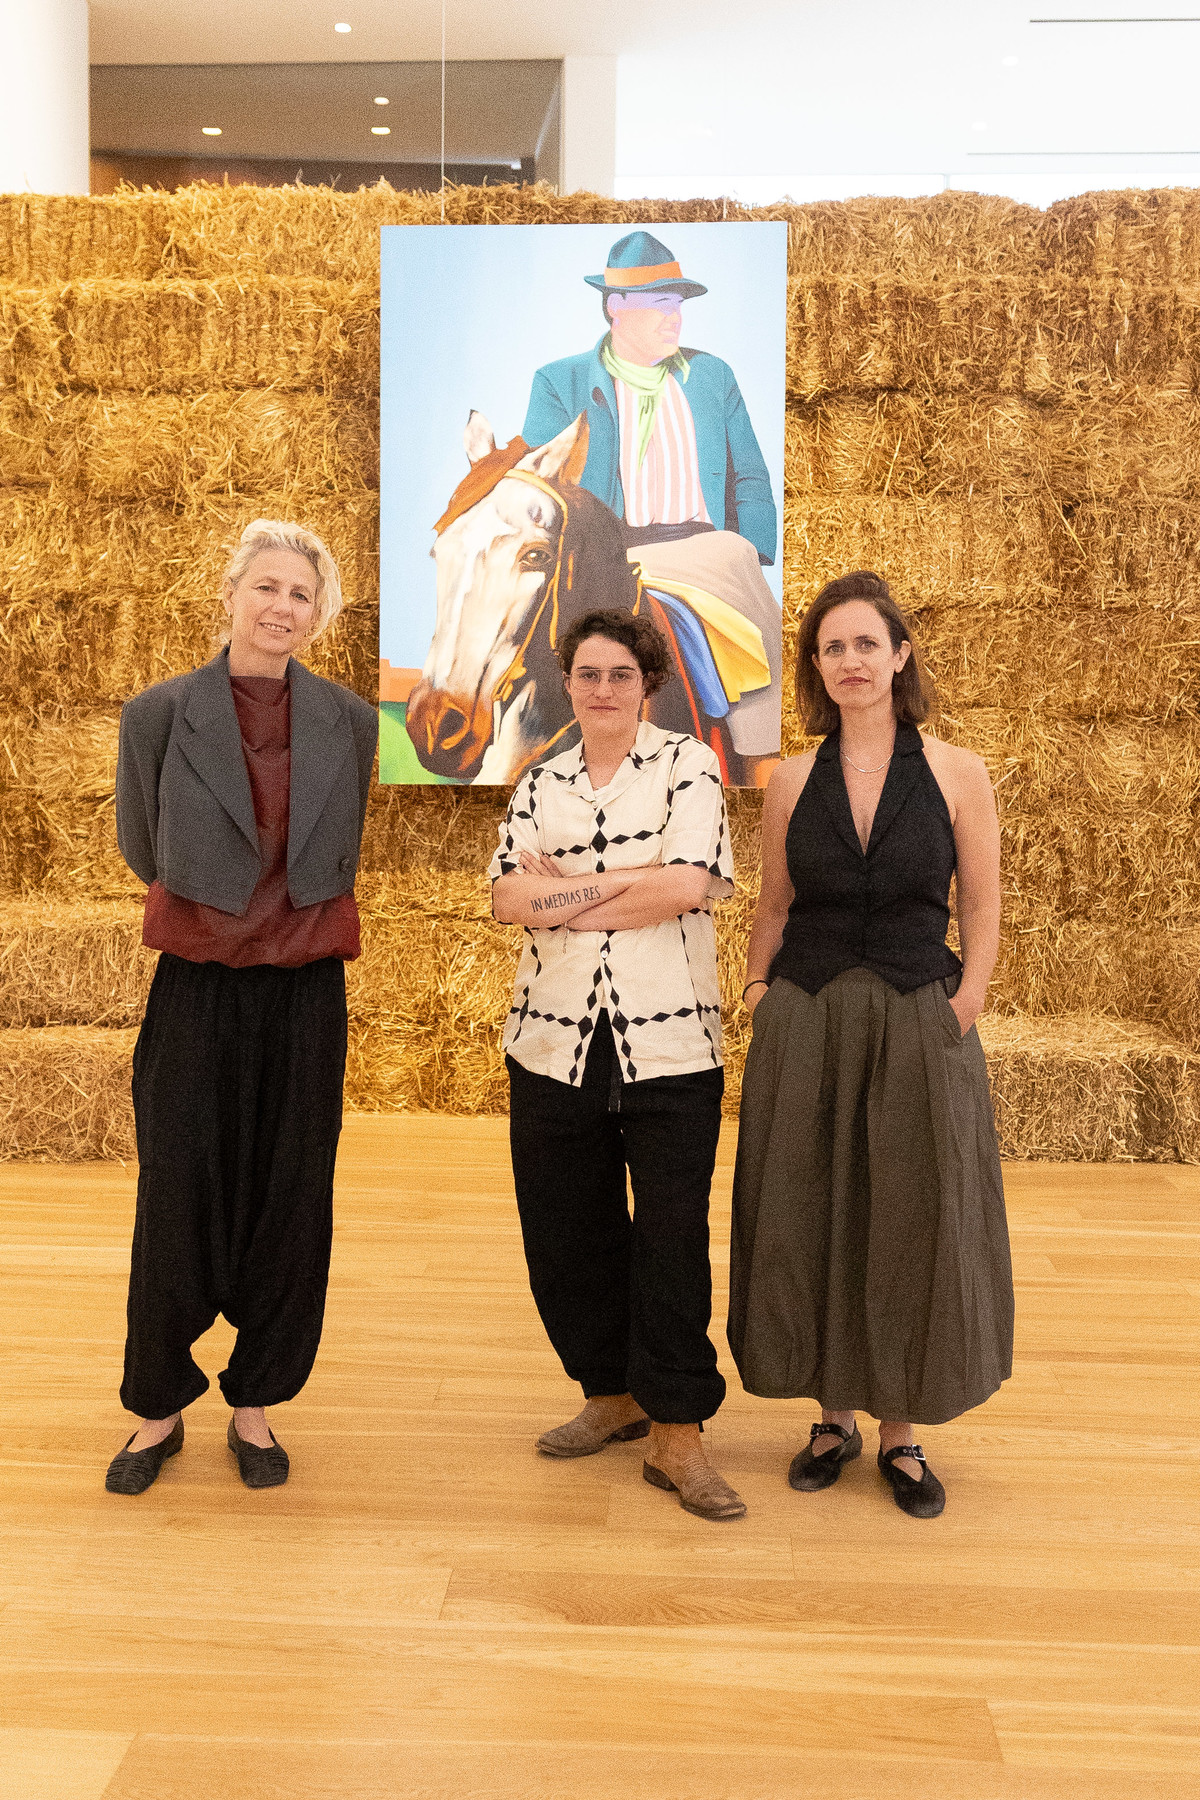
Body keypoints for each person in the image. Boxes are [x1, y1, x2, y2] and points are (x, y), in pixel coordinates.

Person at [728, 571, 1013, 1519]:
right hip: (807, 1019)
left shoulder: (958, 773)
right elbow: (774, 904)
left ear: (899, 655)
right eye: (831, 648)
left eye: (865, 644)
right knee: (811, 1207)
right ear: (815, 668)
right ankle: (830, 1416)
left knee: (908, 1214)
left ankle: (901, 1429)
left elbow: (980, 906)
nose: (850, 661)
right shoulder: (793, 780)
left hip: (915, 1017)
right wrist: (761, 994)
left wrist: (963, 1004)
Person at [105, 520, 378, 1496]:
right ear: (230, 593)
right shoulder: (158, 715)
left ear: (320, 613)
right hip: (199, 984)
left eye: (301, 595)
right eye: (265, 587)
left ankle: (256, 1400)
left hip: (306, 990)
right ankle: (157, 1404)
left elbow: (339, 843)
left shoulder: (350, 721)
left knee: (292, 1193)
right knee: (177, 1188)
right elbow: (146, 843)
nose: (281, 608)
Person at [490, 607, 746, 1522]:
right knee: (567, 1231)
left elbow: (690, 883)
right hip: (552, 1041)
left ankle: (681, 1435)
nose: (604, 689)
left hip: (669, 1043)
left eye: (621, 676)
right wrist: (611, 886)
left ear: (647, 685)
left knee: (671, 1236)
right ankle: (612, 1394)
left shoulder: (690, 766)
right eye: (589, 674)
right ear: (569, 682)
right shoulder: (541, 778)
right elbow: (507, 899)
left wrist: (568, 891)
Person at [522, 230, 783, 785]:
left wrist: (754, 546)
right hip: (610, 553)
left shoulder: (713, 376)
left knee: (741, 572)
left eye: (678, 304)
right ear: (616, 308)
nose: (675, 318)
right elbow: (538, 488)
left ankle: (762, 757)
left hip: (702, 545)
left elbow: (751, 473)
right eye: (660, 303)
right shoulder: (559, 382)